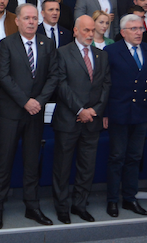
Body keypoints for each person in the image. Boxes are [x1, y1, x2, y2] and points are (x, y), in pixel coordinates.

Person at [0, 3, 58, 228]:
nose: (31, 22)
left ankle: (32, 206)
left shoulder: (48, 43)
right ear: (17, 21)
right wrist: (25, 101)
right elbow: (4, 76)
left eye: (34, 18)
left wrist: (38, 101)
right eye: (27, 18)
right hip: (12, 111)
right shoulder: (7, 43)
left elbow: (53, 76)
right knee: (4, 160)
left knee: (32, 161)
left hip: (36, 112)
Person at [52, 15, 111, 224]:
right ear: (75, 31)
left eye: (92, 30)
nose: (90, 34)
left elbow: (106, 85)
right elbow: (61, 85)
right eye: (86, 30)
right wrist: (80, 110)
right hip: (69, 119)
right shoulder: (62, 53)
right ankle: (62, 207)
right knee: (62, 166)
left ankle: (80, 204)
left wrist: (94, 110)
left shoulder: (101, 55)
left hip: (92, 121)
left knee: (87, 166)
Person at [104, 14, 147, 218]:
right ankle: (112, 200)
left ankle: (129, 198)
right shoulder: (111, 51)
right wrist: (105, 112)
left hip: (141, 112)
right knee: (117, 157)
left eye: (140, 28)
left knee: (134, 157)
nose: (138, 32)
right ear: (123, 32)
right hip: (119, 112)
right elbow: (105, 84)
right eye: (133, 29)